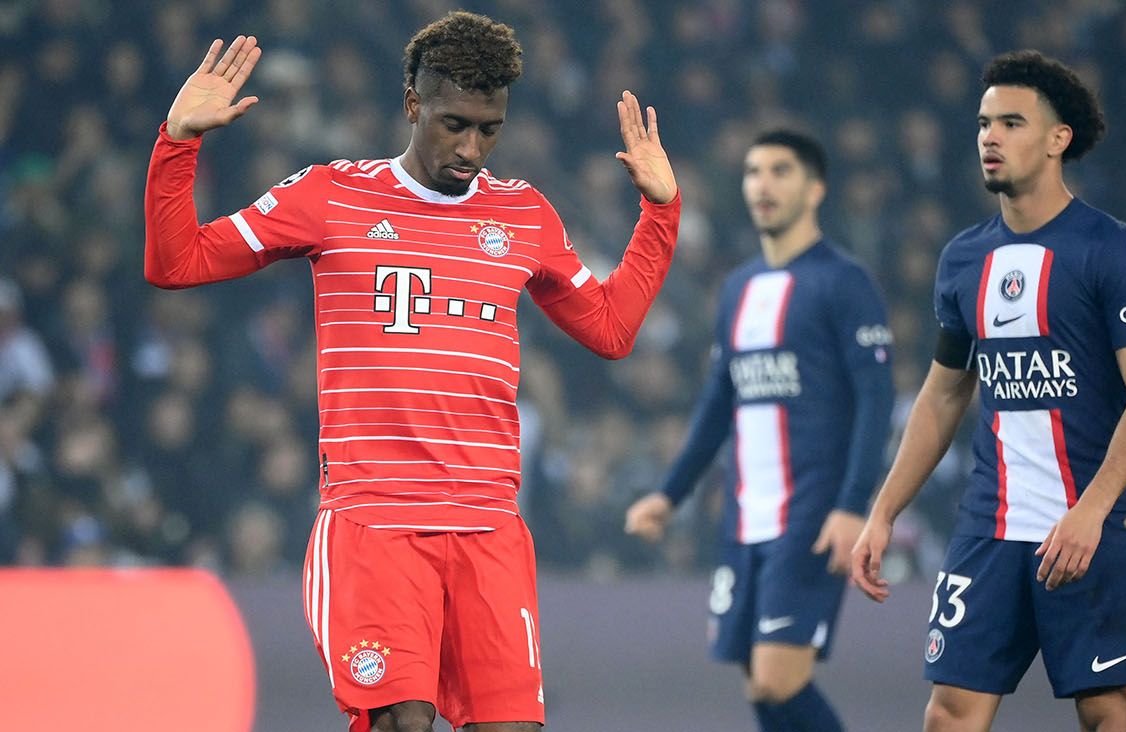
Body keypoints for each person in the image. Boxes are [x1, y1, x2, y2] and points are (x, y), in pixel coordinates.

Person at [144, 12, 679, 732]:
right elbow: (176, 262)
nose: (470, 149)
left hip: (489, 529)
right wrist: (179, 143)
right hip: (376, 525)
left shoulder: (524, 214)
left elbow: (610, 329)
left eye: (489, 129)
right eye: (454, 123)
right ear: (412, 103)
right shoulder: (330, 195)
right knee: (403, 721)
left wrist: (660, 210)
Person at [850, 50, 1126, 732]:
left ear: (1059, 140)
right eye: (983, 123)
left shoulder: (1109, 250)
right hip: (990, 526)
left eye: (1011, 123)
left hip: (1093, 522)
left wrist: (1091, 510)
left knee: (1107, 716)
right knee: (949, 717)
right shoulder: (964, 258)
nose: (989, 137)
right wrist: (883, 511)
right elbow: (942, 397)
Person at [626, 130, 894, 732]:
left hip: (812, 514)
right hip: (745, 520)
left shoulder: (844, 282)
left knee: (779, 678)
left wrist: (855, 507)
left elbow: (876, 402)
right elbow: (718, 403)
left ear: (816, 188)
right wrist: (669, 495)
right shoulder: (739, 288)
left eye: (781, 171)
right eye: (752, 172)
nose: (763, 185)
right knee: (759, 684)